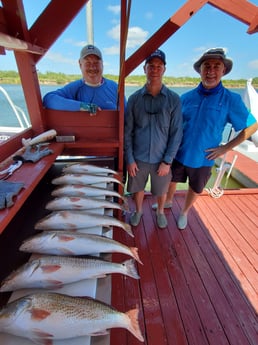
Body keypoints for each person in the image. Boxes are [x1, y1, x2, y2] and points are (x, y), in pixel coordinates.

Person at [153, 48, 258, 230]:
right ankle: (168, 201)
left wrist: (226, 148)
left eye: (216, 66)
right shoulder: (185, 98)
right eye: (206, 66)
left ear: (223, 71)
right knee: (171, 181)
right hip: (178, 152)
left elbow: (252, 126)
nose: (211, 71)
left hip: (204, 157)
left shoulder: (231, 100)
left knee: (196, 187)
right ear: (200, 70)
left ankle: (184, 212)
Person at [124, 49, 183, 228]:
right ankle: (138, 210)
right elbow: (127, 131)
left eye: (159, 66)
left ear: (164, 69)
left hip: (161, 158)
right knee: (138, 188)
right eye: (151, 66)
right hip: (138, 158)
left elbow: (176, 133)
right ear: (144, 69)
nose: (155, 69)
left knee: (161, 190)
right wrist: (130, 159)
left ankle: (159, 212)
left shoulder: (174, 99)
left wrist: (167, 161)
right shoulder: (134, 99)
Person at [43, 44, 121, 114]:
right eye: (88, 63)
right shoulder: (74, 88)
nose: (92, 67)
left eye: (96, 63)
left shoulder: (115, 87)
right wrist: (85, 107)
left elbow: (126, 114)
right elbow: (48, 100)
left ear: (102, 64)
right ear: (80, 65)